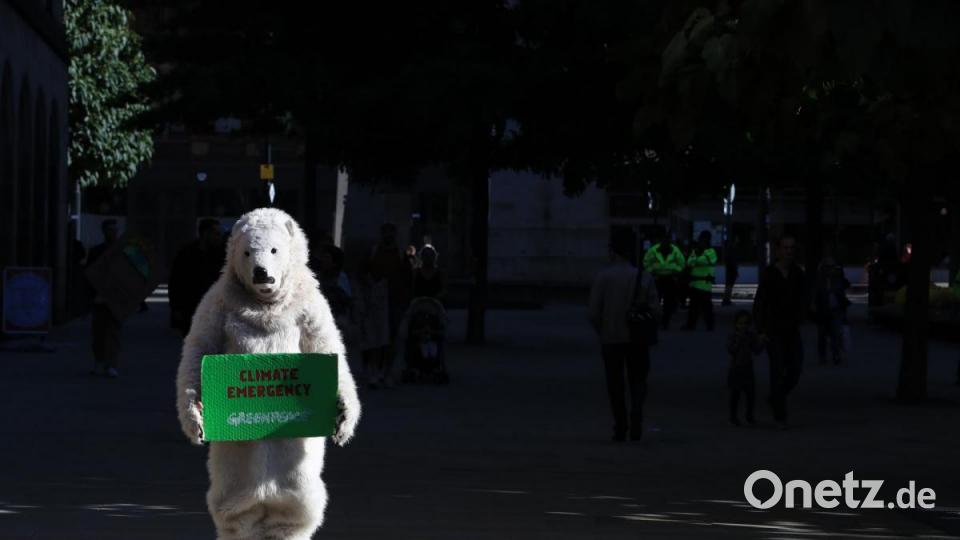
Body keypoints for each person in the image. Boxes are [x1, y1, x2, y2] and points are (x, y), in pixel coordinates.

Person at [588, 228, 660, 442]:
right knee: (638, 379)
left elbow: (593, 312)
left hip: (611, 338)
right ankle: (636, 412)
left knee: (615, 383)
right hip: (637, 338)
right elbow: (656, 311)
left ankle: (620, 425)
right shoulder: (644, 277)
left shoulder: (603, 277)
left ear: (612, 251)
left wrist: (603, 330)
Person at [752, 235, 806, 427]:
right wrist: (760, 330)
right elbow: (760, 303)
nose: (789, 251)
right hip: (773, 329)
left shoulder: (797, 273)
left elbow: (802, 298)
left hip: (791, 329)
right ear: (778, 250)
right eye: (785, 248)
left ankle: (776, 397)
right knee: (777, 369)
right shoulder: (770, 274)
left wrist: (802, 316)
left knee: (795, 370)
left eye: (791, 248)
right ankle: (779, 413)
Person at [168, 219, 226, 336]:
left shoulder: (221, 254)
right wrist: (176, 309)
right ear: (205, 234)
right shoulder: (186, 254)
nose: (219, 237)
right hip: (191, 310)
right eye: (216, 234)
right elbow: (175, 283)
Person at [87, 219, 121, 378]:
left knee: (113, 332)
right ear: (104, 232)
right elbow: (89, 275)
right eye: (110, 230)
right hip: (99, 298)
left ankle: (111, 364)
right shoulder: (96, 251)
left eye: (115, 230)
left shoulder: (123, 251)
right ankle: (100, 362)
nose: (113, 233)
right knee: (99, 333)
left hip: (115, 299)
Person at [642, 230, 685, 330]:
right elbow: (646, 263)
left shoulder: (675, 250)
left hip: (670, 279)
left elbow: (682, 263)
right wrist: (652, 272)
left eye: (667, 239)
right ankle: (655, 321)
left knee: (668, 302)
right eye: (664, 239)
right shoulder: (653, 250)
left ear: (669, 240)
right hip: (657, 279)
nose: (665, 241)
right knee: (655, 301)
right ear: (661, 240)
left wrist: (676, 272)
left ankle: (665, 322)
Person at [728, 310, 764, 426]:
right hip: (736, 368)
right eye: (740, 323)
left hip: (748, 367)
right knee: (736, 393)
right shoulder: (733, 335)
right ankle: (733, 417)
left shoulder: (750, 335)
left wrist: (761, 341)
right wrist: (739, 340)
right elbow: (731, 350)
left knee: (750, 394)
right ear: (735, 324)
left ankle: (749, 416)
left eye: (745, 324)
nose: (743, 326)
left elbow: (756, 350)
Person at [814, 253, 851, 365]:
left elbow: (844, 287)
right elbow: (817, 294)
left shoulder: (837, 276)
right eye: (828, 267)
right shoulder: (820, 278)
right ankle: (823, 356)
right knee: (822, 335)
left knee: (835, 333)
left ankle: (835, 355)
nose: (830, 269)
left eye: (832, 266)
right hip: (824, 310)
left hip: (835, 309)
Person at [683, 230, 718, 331]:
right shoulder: (696, 251)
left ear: (707, 240)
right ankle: (691, 325)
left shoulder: (711, 252)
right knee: (693, 307)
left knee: (707, 308)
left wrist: (695, 259)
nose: (700, 241)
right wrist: (696, 258)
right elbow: (689, 262)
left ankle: (710, 325)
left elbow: (703, 261)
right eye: (700, 239)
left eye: (702, 239)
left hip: (704, 284)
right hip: (695, 283)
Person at [722, 237, 740, 306]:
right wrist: (735, 270)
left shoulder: (729, 250)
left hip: (731, 269)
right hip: (731, 270)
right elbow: (732, 261)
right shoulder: (731, 250)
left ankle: (726, 299)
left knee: (729, 286)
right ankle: (726, 300)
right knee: (729, 286)